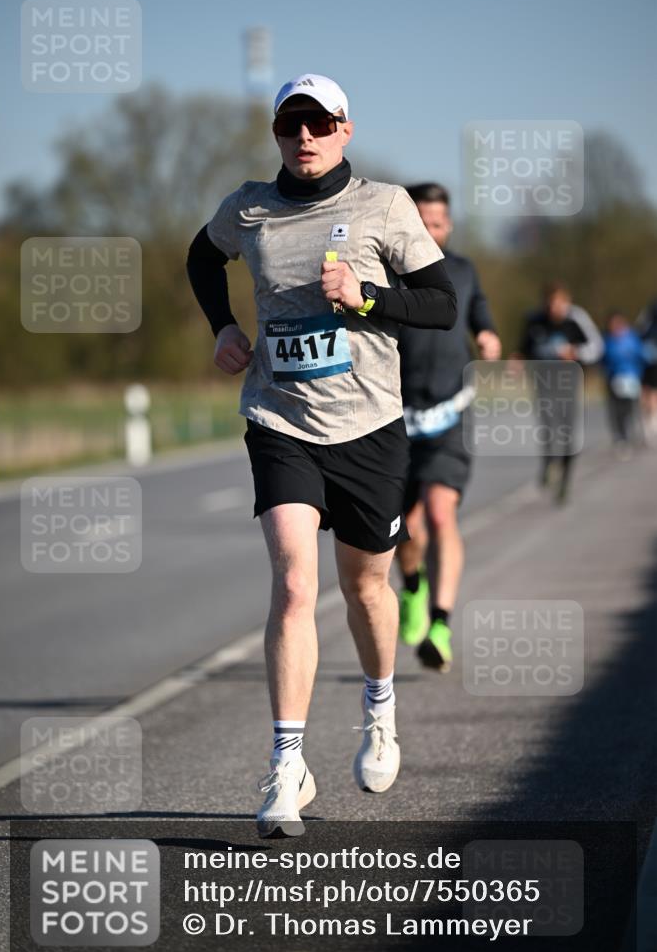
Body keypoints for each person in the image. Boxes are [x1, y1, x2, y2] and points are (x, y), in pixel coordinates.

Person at [186, 74, 456, 837]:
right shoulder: (247, 207)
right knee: (295, 581)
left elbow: (441, 305)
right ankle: (286, 763)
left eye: (318, 123)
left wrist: (367, 298)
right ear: (276, 133)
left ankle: (378, 708)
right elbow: (201, 259)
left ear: (344, 129)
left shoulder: (384, 206)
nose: (302, 137)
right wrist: (222, 326)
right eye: (289, 125)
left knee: (367, 588)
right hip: (281, 418)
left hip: (369, 425)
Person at [395, 183, 501, 671]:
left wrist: (487, 333)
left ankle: (440, 623)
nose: (431, 231)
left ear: (448, 224)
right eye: (423, 223)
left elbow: (479, 309)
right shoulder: (389, 271)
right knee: (404, 528)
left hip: (448, 415)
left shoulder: (462, 270)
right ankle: (412, 588)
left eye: (438, 223)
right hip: (396, 419)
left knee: (440, 514)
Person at [519, 282, 603, 503]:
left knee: (567, 433)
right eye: (550, 303)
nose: (554, 308)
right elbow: (524, 348)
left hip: (568, 384)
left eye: (559, 303)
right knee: (547, 427)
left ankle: (565, 480)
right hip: (543, 383)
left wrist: (576, 352)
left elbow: (597, 346)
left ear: (567, 302)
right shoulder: (535, 320)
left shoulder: (576, 318)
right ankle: (548, 464)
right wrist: (516, 361)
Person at [602, 310, 646, 455]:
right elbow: (603, 359)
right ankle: (621, 438)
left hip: (631, 379)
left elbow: (641, 356)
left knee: (631, 409)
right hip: (613, 380)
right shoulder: (607, 340)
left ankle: (635, 434)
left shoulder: (632, 339)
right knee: (616, 411)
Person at [635, 298, 657, 440]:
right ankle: (645, 420)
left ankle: (653, 421)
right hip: (645, 357)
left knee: (654, 390)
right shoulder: (650, 310)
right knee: (645, 390)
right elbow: (639, 330)